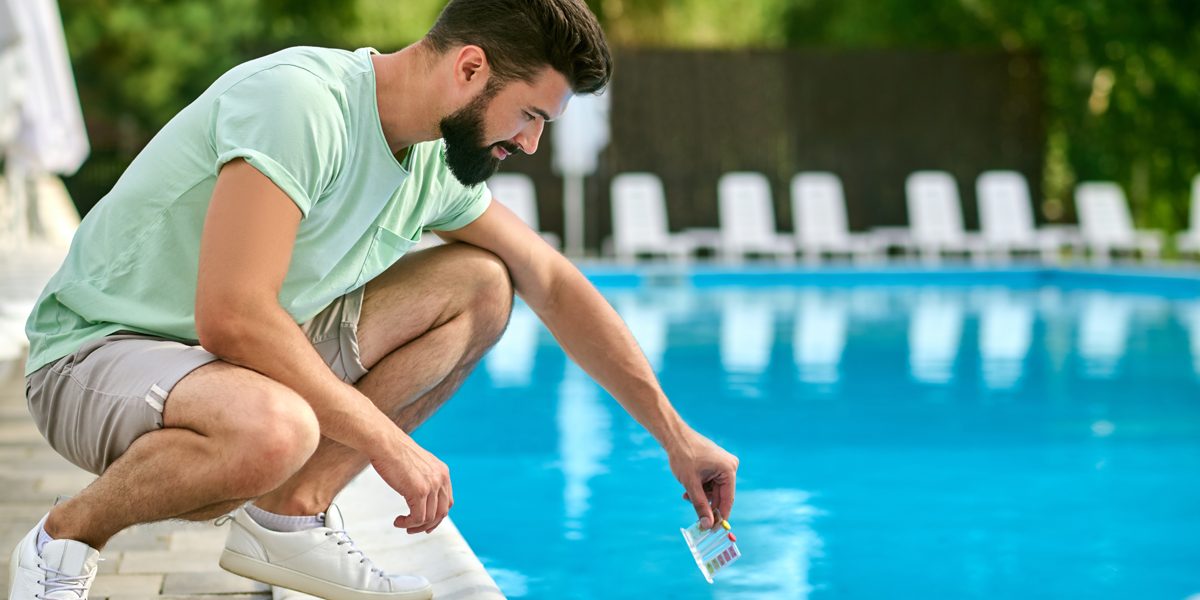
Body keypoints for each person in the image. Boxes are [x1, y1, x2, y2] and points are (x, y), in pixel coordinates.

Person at [11, 0, 739, 598]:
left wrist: (676, 438)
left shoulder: (431, 163)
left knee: (484, 285)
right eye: (531, 116)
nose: (530, 144)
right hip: (95, 354)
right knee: (275, 431)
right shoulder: (302, 104)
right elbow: (232, 316)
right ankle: (61, 543)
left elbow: (550, 279)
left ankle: (290, 518)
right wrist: (390, 444)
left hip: (220, 369)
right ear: (470, 68)